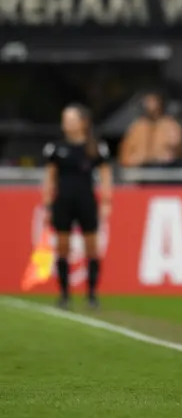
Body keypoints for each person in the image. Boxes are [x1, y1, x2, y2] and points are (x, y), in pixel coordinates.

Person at [42, 104, 112, 309]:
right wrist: (47, 204)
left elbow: (106, 175)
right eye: (65, 119)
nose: (67, 124)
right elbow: (50, 177)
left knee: (92, 247)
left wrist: (107, 201)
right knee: (62, 247)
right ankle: (64, 294)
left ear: (82, 122)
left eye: (71, 119)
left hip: (86, 200)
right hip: (63, 201)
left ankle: (91, 294)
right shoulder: (55, 148)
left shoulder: (95, 147)